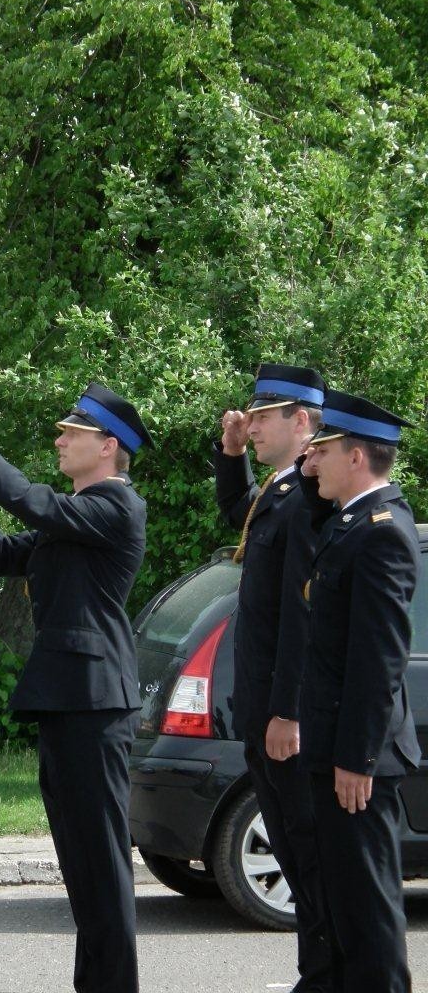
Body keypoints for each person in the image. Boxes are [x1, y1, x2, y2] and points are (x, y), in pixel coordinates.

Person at [0, 381, 153, 993]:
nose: (59, 441)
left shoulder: (116, 506)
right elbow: (7, 555)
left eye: (71, 434)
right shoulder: (77, 515)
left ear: (108, 447)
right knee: (81, 864)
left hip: (94, 703)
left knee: (103, 863)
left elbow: (38, 505)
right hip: (68, 701)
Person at [214, 363, 333, 992]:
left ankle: (325, 975)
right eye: (251, 415)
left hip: (285, 711)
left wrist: (286, 710)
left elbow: (301, 617)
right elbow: (240, 508)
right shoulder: (281, 493)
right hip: (262, 703)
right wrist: (230, 455)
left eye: (263, 418)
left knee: (308, 853)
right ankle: (316, 974)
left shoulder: (309, 499)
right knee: (289, 847)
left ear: (303, 422)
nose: (251, 425)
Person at [299, 390, 421, 993]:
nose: (309, 463)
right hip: (332, 747)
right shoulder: (350, 522)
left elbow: (379, 661)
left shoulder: (382, 533)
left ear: (355, 457)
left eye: (321, 451)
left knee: (368, 915)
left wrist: (356, 757)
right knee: (343, 908)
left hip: (357, 759)